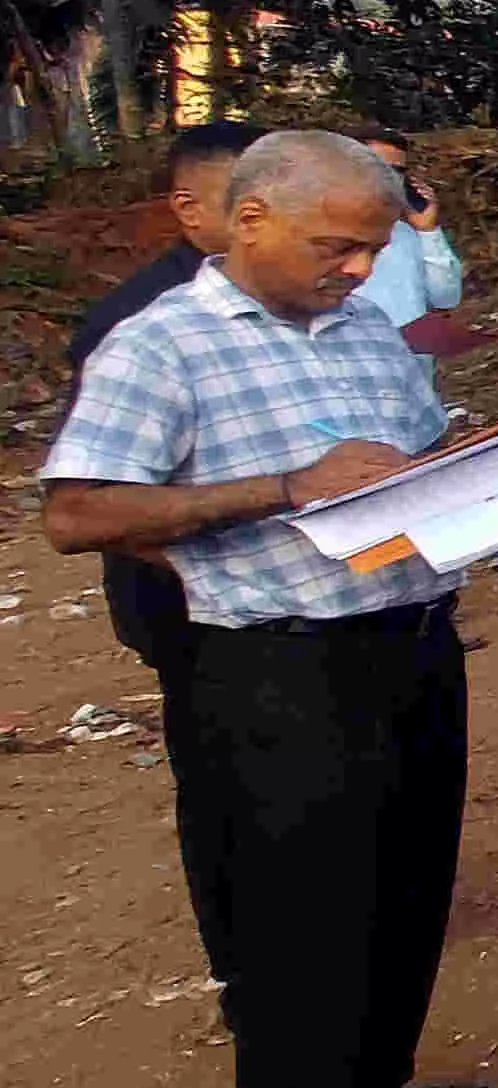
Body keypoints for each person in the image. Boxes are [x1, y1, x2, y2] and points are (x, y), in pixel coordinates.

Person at [43, 131, 491, 1088]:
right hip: (277, 670)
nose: (355, 269)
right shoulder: (163, 346)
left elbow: (409, 455)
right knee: (299, 928)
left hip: (412, 639)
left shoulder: (362, 331)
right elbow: (82, 511)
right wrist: (285, 489)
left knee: (405, 887)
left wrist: (489, 462)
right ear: (251, 222)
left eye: (369, 249)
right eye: (337, 246)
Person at [71, 119, 264, 980]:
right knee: (230, 794)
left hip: (306, 604)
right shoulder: (138, 327)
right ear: (191, 211)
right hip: (194, 606)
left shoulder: (315, 304)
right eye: (248, 204)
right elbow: (97, 507)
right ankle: (245, 970)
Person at [351, 128, 465, 356]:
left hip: (411, 372)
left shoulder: (406, 234)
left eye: (398, 171)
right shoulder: (310, 234)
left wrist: (428, 230)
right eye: (380, 168)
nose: (390, 179)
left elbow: (446, 297)